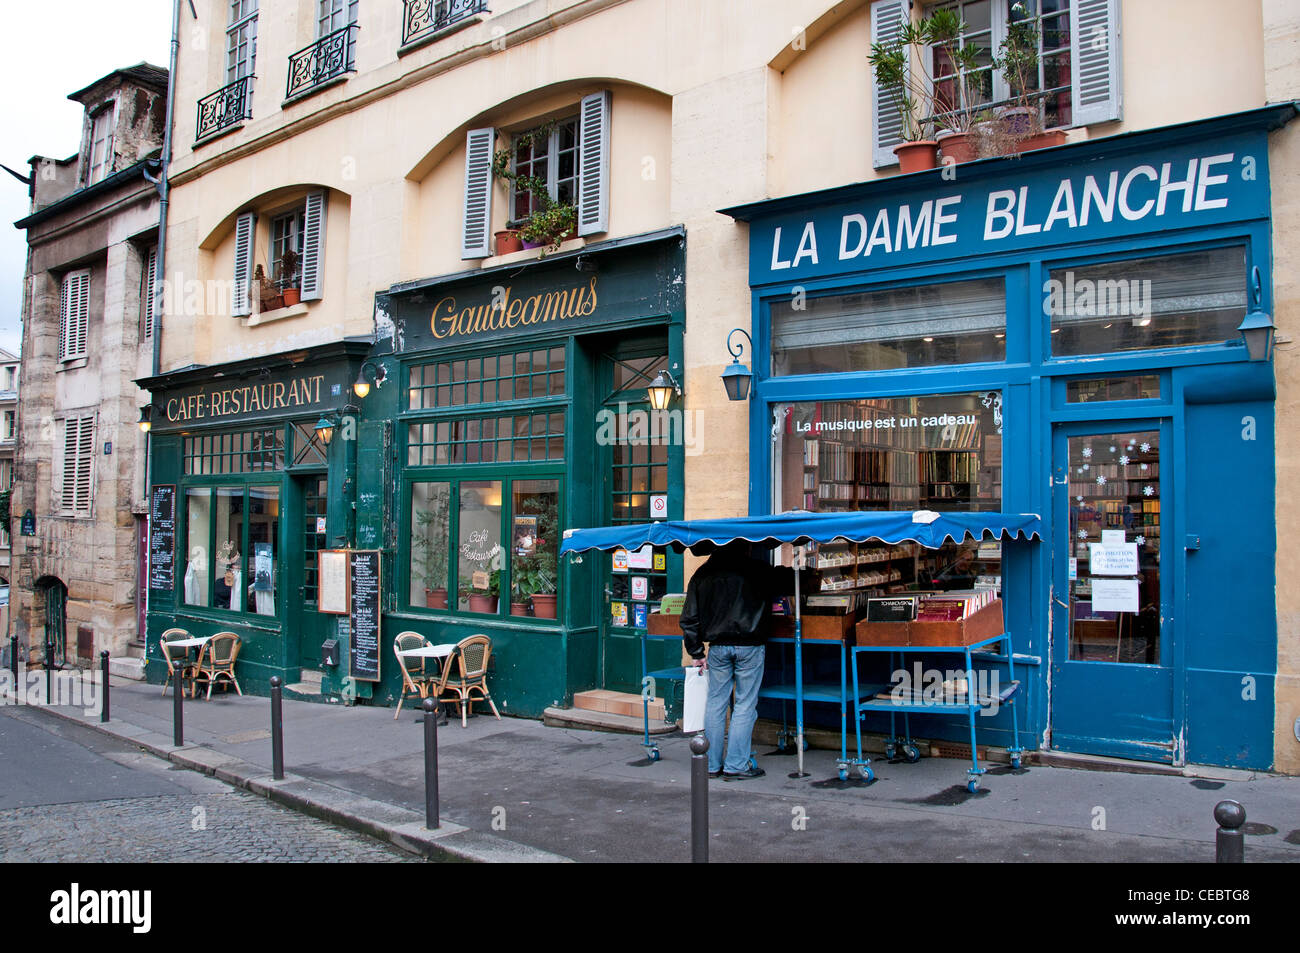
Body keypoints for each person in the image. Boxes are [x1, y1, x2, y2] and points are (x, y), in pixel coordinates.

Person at [679, 541, 801, 780]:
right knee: (745, 704)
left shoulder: (703, 573)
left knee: (716, 704)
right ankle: (736, 765)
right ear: (746, 547)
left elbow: (689, 618)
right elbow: (789, 582)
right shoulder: (757, 569)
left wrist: (696, 652)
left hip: (717, 647)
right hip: (750, 645)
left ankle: (710, 764)